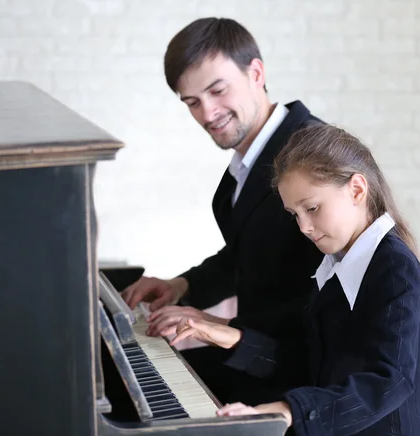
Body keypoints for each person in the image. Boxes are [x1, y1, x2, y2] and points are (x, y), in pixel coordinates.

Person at [169, 123, 420, 435]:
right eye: (295, 214)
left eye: (313, 208)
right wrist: (234, 338)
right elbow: (312, 362)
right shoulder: (337, 261)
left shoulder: (394, 267)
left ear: (357, 190)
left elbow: (389, 381)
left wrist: (288, 410)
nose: (304, 227)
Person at [121, 17, 324, 404]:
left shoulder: (313, 156)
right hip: (259, 356)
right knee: (139, 388)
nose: (207, 114)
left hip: (301, 380)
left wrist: (221, 326)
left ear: (256, 72)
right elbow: (251, 256)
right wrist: (183, 286)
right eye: (192, 102)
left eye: (217, 91)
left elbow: (330, 291)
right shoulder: (245, 166)